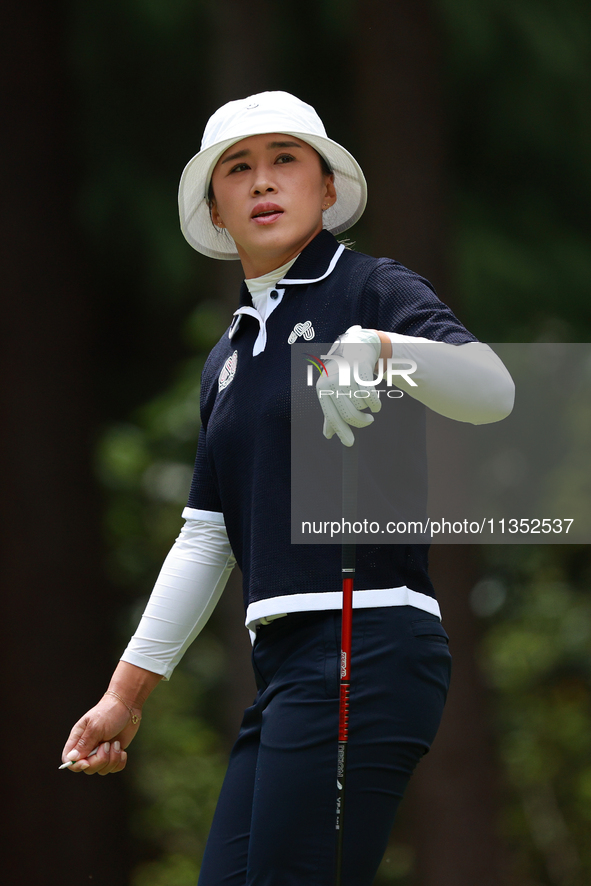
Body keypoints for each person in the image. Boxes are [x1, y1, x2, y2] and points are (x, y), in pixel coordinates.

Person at [62, 91, 514, 885]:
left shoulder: (371, 289)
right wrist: (124, 696)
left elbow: (492, 391)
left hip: (365, 645)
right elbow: (208, 534)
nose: (262, 181)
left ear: (326, 189)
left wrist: (379, 350)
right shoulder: (229, 357)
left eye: (284, 161)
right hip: (287, 667)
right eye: (239, 168)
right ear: (217, 205)